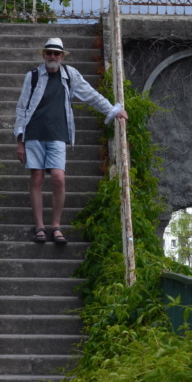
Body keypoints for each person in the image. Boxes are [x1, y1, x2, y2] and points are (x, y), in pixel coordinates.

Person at [14, 37, 128, 243]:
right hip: (34, 133)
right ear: (43, 54)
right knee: (37, 178)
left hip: (58, 134)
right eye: (49, 53)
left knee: (58, 177)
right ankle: (40, 226)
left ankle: (56, 225)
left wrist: (114, 110)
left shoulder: (70, 75)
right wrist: (19, 141)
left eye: (56, 53)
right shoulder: (31, 77)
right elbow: (22, 108)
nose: (52, 57)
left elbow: (91, 95)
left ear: (62, 56)